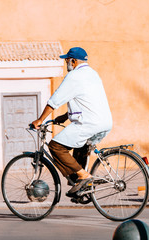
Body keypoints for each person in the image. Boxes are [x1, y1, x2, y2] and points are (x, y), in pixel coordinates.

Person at [31, 47, 112, 196]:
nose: (66, 63)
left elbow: (55, 100)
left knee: (56, 147)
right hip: (104, 122)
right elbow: (85, 101)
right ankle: (80, 188)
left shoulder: (74, 76)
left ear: (73, 61)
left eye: (67, 60)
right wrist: (65, 116)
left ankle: (84, 176)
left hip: (88, 123)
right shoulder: (93, 74)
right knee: (78, 146)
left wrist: (40, 119)